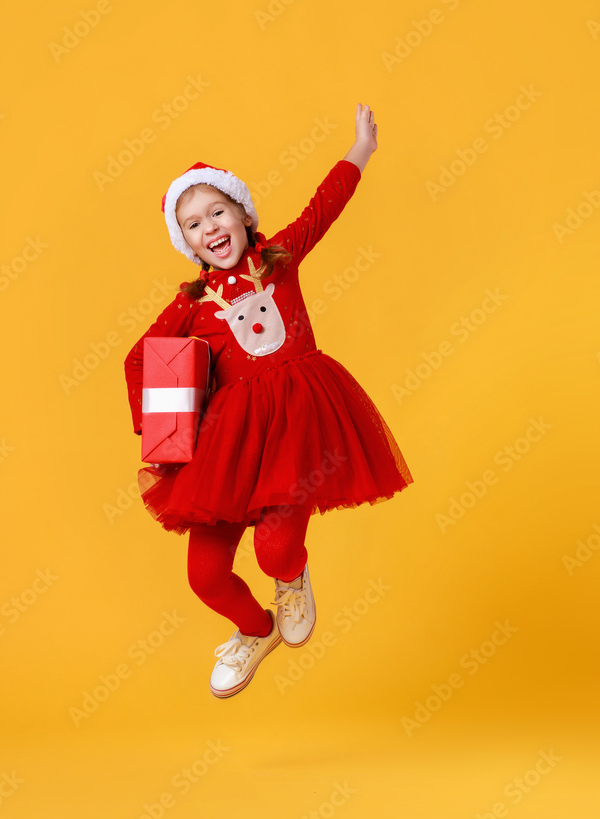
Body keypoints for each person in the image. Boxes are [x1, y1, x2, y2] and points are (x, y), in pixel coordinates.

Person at [123, 104, 413, 698]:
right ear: (188, 243)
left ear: (242, 213)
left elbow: (323, 208)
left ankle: (292, 576)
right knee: (204, 576)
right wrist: (162, 434)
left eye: (217, 211)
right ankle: (256, 631)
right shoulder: (192, 305)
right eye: (194, 223)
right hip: (226, 451)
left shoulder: (280, 258)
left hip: (295, 430)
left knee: (275, 549)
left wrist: (361, 149)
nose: (211, 227)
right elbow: (140, 359)